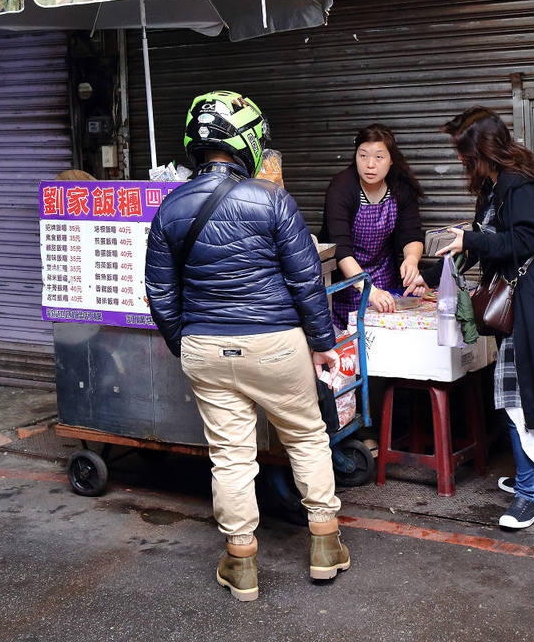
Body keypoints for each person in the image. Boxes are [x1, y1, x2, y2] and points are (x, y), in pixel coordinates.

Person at [145, 90, 350, 602]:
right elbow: (306, 280)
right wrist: (322, 343)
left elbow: (160, 293)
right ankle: (325, 545)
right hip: (275, 344)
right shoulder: (271, 198)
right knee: (306, 438)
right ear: (249, 142)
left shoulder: (170, 206)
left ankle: (240, 564)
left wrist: (186, 344)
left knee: (230, 456)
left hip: (205, 347)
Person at [406, 106, 534, 530]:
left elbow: (526, 239)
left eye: (464, 152)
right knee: (530, 396)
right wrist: (428, 277)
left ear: (483, 150)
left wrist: (470, 240)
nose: (460, 160)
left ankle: (528, 498)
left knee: (519, 400)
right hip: (520, 306)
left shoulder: (520, 183)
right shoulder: (493, 185)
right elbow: (479, 245)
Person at [320, 123, 425, 329]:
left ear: (391, 159)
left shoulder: (400, 188)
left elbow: (411, 234)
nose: (370, 165)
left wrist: (412, 260)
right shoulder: (342, 187)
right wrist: (368, 290)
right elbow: (341, 249)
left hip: (385, 280)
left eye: (379, 157)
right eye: (363, 156)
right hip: (346, 283)